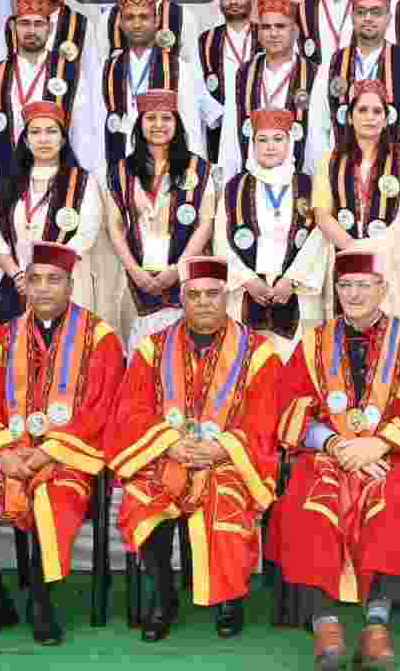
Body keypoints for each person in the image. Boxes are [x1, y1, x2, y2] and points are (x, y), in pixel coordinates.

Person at [0, 242, 124, 647]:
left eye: (55, 280)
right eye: (35, 280)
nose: (44, 289)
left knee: (52, 505)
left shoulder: (99, 338)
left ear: (71, 285)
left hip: (65, 457)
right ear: (24, 287)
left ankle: (43, 604)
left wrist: (48, 451)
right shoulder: (2, 338)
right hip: (4, 454)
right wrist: (1, 451)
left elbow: (103, 407)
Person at [270, 249, 400, 671]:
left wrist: (382, 444)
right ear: (335, 290)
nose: (355, 293)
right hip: (329, 456)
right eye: (346, 285)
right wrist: (333, 445)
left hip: (389, 457)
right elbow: (287, 406)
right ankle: (326, 625)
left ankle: (377, 625)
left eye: (364, 284)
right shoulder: (313, 342)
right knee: (307, 505)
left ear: (383, 289)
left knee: (394, 504)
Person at [107, 256, 283, 641]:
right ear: (182, 299)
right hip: (166, 456)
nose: (203, 302)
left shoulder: (259, 352)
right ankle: (163, 596)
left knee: (225, 498)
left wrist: (223, 448)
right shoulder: (152, 349)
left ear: (227, 297)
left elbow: (266, 416)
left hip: (230, 460)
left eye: (213, 294)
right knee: (142, 498)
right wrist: (169, 443)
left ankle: (229, 599)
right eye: (194, 294)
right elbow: (130, 410)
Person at [105, 88, 217, 350]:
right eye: (150, 118)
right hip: (135, 280)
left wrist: (178, 269)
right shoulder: (121, 171)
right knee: (140, 360)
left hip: (185, 278)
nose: (158, 125)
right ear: (139, 124)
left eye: (166, 118)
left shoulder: (199, 168)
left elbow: (205, 223)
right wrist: (135, 270)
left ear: (177, 123)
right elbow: (115, 224)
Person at [312, 79, 400, 329]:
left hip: (389, 265)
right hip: (344, 260)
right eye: (362, 110)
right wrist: (354, 249)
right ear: (350, 116)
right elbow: (322, 214)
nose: (370, 117)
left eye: (377, 111)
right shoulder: (329, 162)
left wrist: (372, 250)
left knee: (389, 342)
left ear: (387, 119)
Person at [214, 109, 328, 357]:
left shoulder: (308, 185)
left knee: (296, 367)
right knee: (248, 366)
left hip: (297, 293)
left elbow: (320, 238)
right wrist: (247, 279)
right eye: (262, 140)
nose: (270, 147)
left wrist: (292, 279)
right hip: (246, 293)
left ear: (290, 142)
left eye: (278, 139)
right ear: (252, 144)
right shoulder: (234, 187)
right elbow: (220, 240)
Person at [0, 0, 97, 223]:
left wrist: (86, 184)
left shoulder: (69, 72)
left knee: (53, 255)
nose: (31, 30)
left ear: (49, 28)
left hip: (57, 182)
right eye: (24, 23)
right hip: (7, 181)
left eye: (38, 23)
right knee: (7, 252)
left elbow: (83, 132)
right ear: (13, 27)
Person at [0, 100, 104, 326]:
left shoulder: (82, 182)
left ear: (62, 138)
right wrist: (19, 276)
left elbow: (85, 236)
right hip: (17, 286)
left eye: (51, 131)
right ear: (26, 140)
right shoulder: (9, 184)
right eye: (35, 132)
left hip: (67, 286)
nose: (43, 139)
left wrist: (46, 278)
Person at [308, 0, 400, 170]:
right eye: (361, 12)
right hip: (342, 177)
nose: (368, 18)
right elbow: (317, 128)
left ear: (388, 18)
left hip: (396, 177)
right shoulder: (331, 64)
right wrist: (325, 174)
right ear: (352, 17)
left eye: (376, 12)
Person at [96, 0, 221, 168]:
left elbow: (190, 129)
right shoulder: (105, 70)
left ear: (156, 22)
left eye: (144, 17)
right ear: (120, 24)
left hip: (165, 171)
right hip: (118, 163)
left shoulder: (178, 68)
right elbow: (95, 128)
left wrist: (192, 174)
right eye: (129, 17)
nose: (137, 24)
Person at [238, 0, 317, 175]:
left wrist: (313, 182)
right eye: (266, 27)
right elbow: (230, 133)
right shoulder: (244, 73)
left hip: (298, 178)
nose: (273, 33)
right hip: (253, 175)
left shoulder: (313, 73)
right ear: (258, 33)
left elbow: (317, 136)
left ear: (295, 31)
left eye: (280, 26)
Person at [197, 0, 255, 177]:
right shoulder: (207, 40)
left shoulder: (265, 34)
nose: (233, 1)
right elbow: (198, 85)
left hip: (259, 123)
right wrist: (222, 116)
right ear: (219, 2)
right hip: (220, 125)